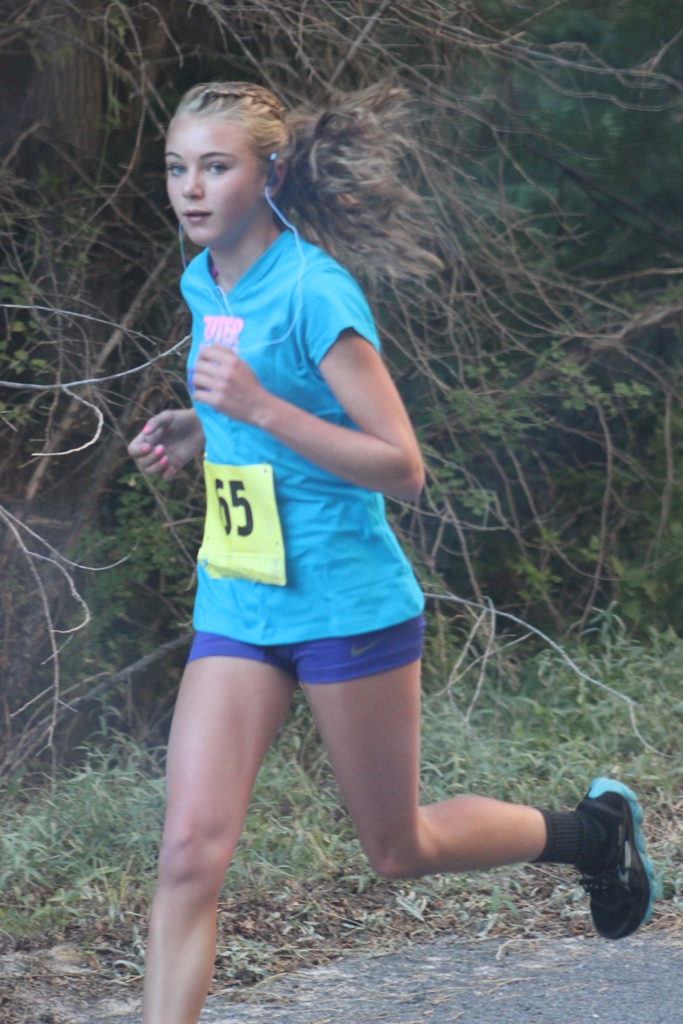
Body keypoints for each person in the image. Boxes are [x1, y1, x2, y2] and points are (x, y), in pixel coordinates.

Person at [128, 81, 656, 1024]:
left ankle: (591, 834)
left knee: (397, 847)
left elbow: (399, 466)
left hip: (344, 602)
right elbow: (251, 407)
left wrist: (255, 408)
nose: (191, 189)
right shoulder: (200, 280)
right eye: (178, 168)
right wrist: (202, 427)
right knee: (189, 853)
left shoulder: (316, 291)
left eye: (216, 166)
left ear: (270, 174)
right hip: (241, 601)